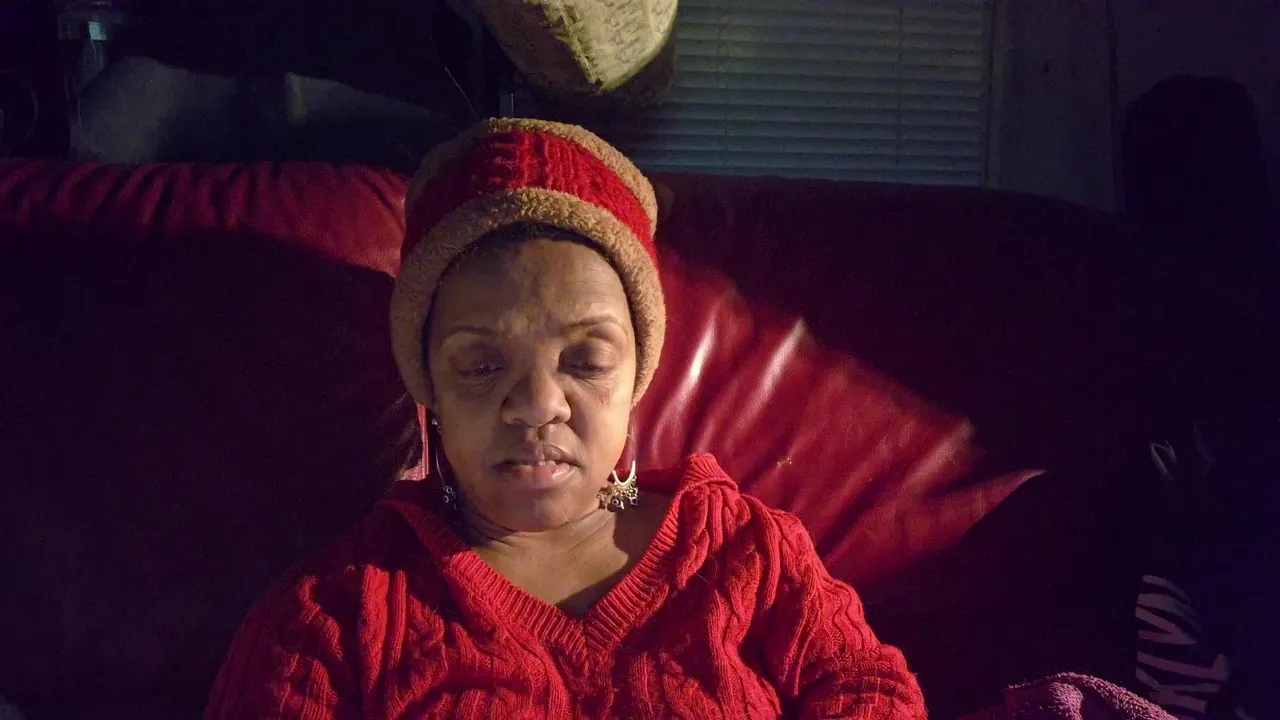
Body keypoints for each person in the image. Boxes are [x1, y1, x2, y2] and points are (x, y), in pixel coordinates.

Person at [204, 118, 927, 719]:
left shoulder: (750, 554)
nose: (538, 405)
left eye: (585, 359)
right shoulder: (331, 615)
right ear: (429, 386)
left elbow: (872, 695)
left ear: (636, 376)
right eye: (482, 365)